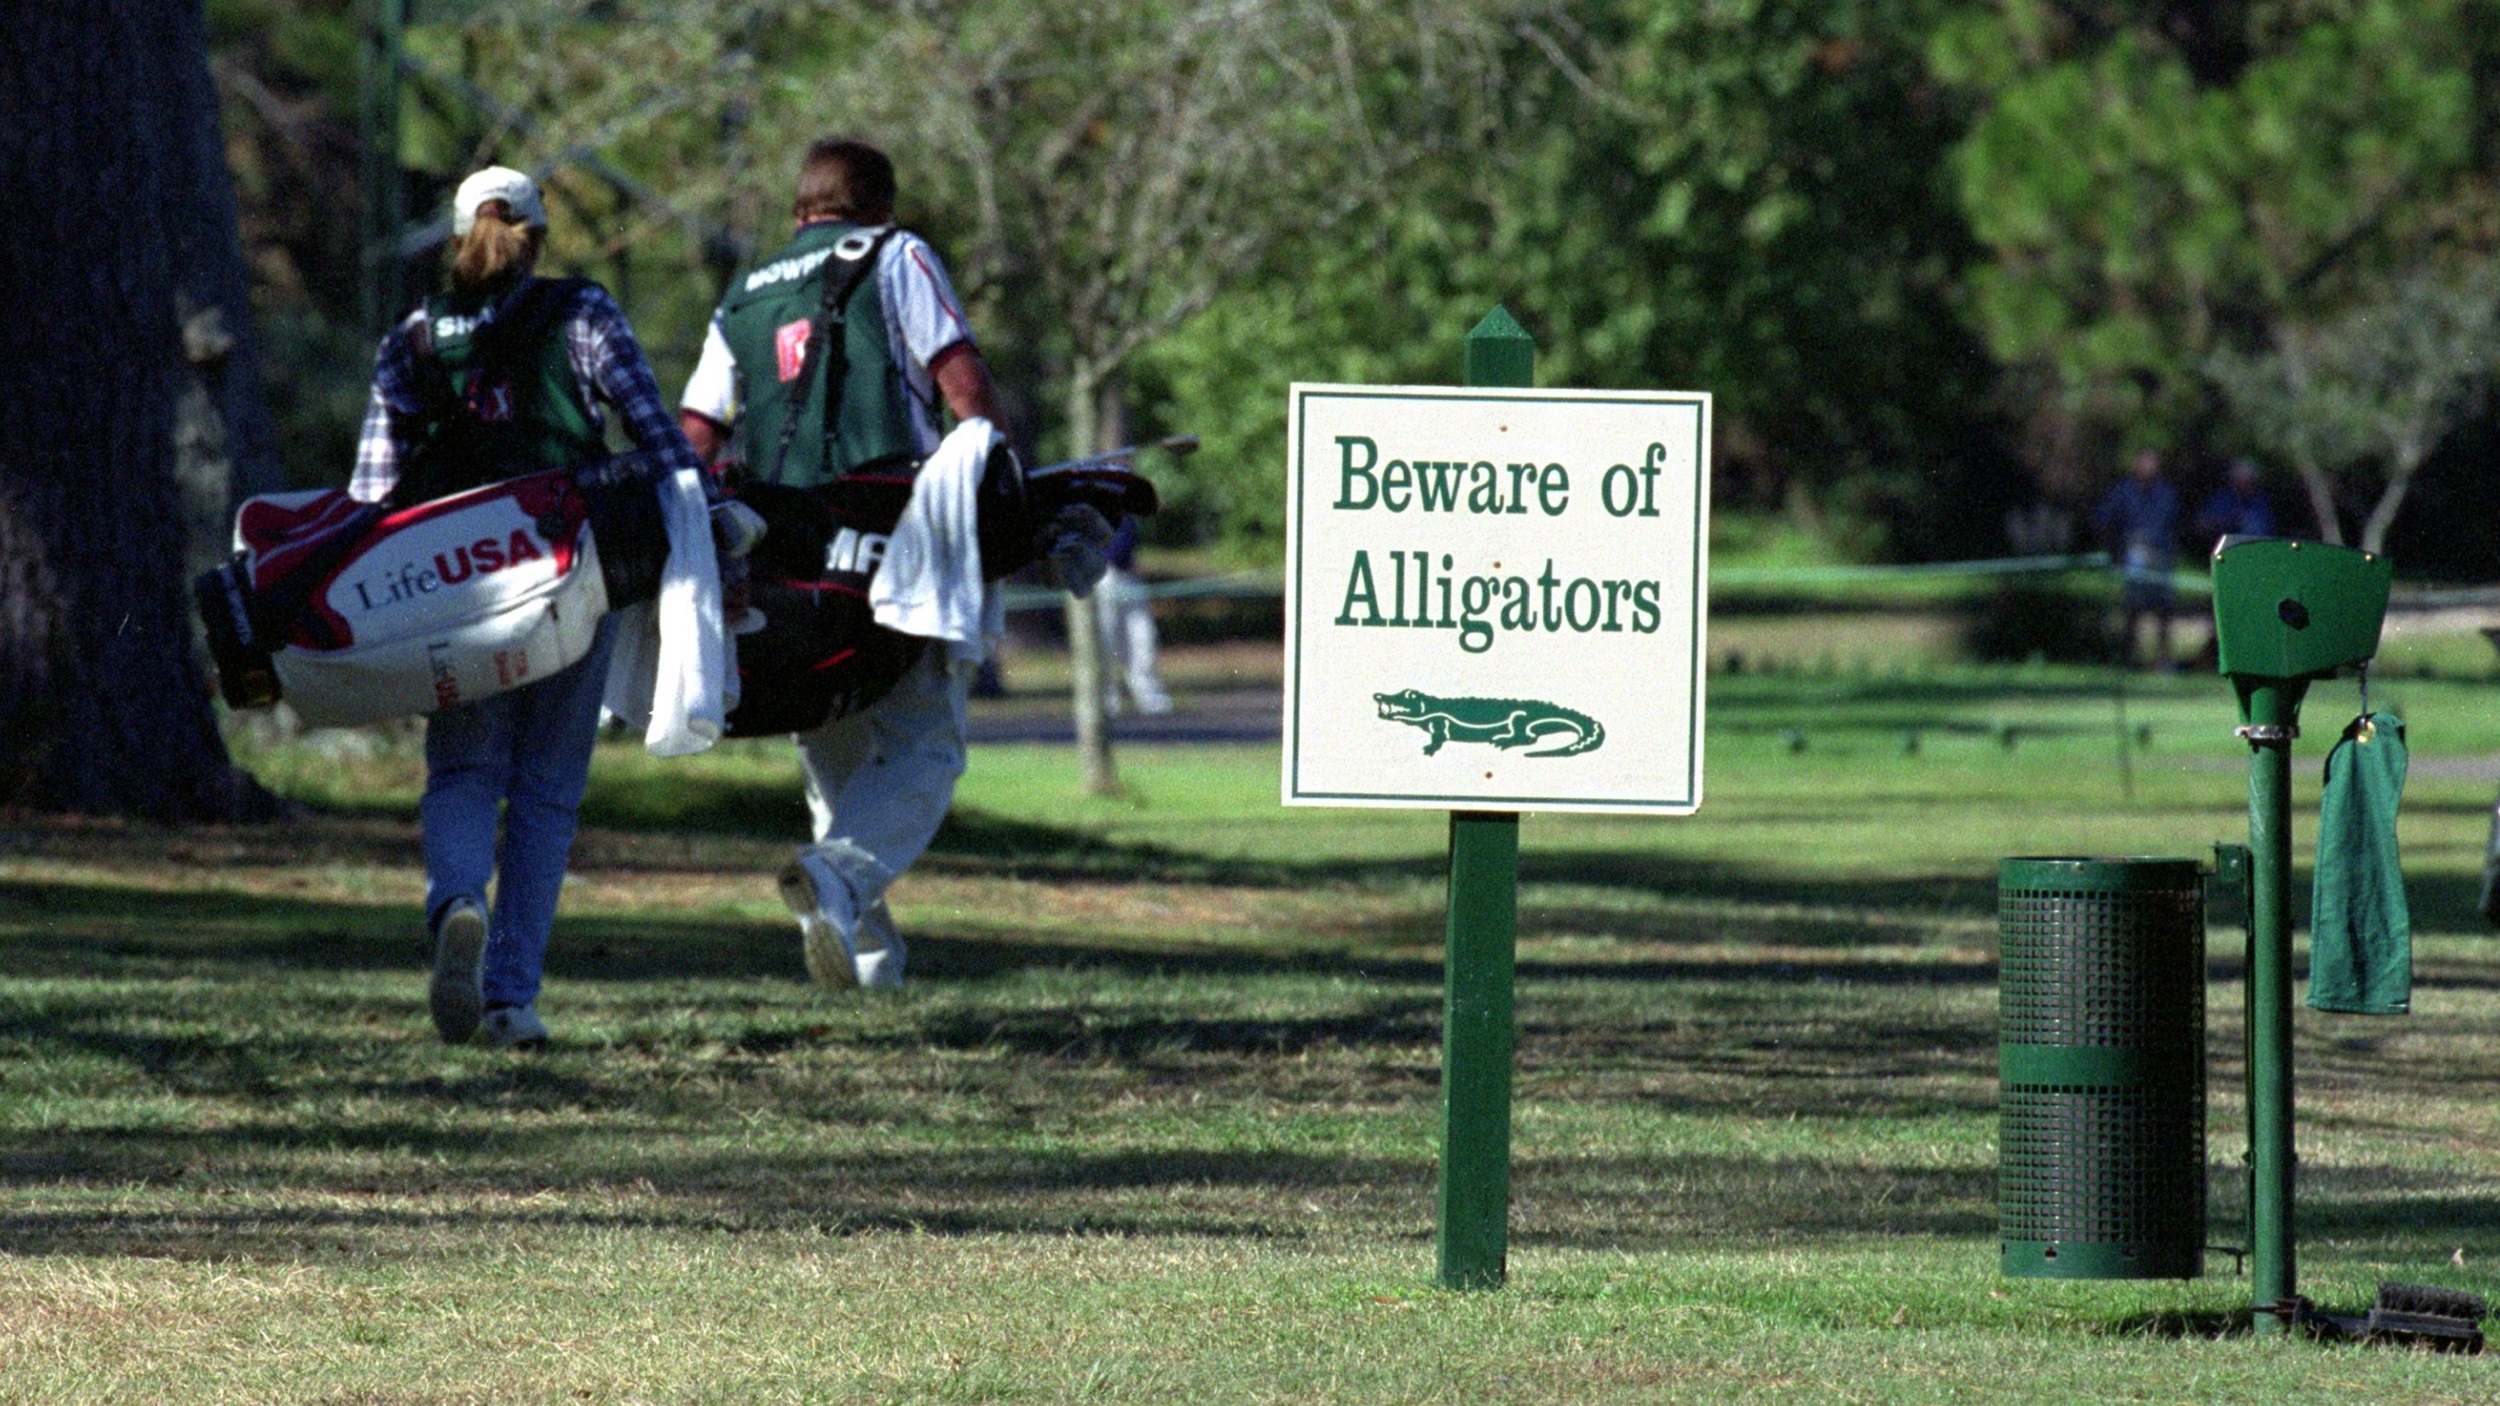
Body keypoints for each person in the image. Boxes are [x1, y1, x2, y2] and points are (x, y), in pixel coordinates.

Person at [352, 166, 704, 1048]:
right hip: (572, 570)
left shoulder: (414, 339)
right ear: (536, 238)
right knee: (547, 793)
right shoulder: (584, 315)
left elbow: (373, 492)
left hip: (455, 587)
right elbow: (660, 441)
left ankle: (459, 900)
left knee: (464, 772)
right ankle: (511, 1000)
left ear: (457, 239)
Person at [678, 137, 1006, 993]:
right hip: (892, 533)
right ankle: (836, 882)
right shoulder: (899, 254)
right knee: (925, 745)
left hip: (786, 549)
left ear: (800, 214)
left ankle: (867, 966)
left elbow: (698, 432)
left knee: (832, 743)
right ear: (880, 207)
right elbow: (961, 384)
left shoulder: (742, 291)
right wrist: (997, 481)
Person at [2096, 447, 2183, 670]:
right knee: (2134, 609)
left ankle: (2163, 661)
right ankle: (2128, 660)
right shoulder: (2125, 491)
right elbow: (2105, 520)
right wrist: (2114, 551)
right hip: (2135, 555)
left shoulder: (2167, 492)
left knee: (2164, 610)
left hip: (2162, 555)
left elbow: (2177, 525)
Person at [1096, 515, 1172, 716]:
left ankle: (1151, 699)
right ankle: (1106, 701)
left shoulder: (1126, 510)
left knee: (1143, 637)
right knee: (1106, 641)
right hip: (1103, 576)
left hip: (1128, 575)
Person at [2197, 457, 2278, 547]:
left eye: (2249, 480)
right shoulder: (2222, 500)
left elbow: (2267, 527)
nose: (2247, 483)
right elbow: (2205, 523)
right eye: (2243, 479)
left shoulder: (2260, 503)